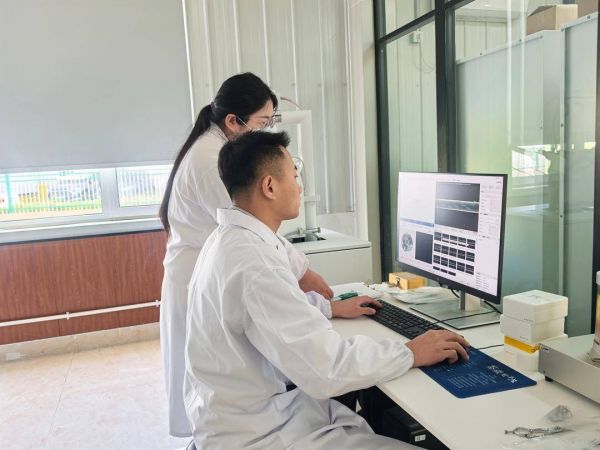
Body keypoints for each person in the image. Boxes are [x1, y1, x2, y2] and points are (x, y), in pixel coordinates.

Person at [183, 131, 470, 449]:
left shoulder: (230, 237)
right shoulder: (254, 262)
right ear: (269, 186)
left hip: (244, 415)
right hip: (261, 434)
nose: (299, 187)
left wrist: (329, 307)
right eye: (294, 176)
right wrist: (410, 352)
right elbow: (327, 370)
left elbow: (267, 311)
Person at [159, 73, 335, 437]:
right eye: (263, 123)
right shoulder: (210, 160)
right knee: (218, 384)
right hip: (197, 280)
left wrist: (319, 299)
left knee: (219, 382)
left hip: (202, 274)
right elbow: (251, 223)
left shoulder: (212, 150)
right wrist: (306, 276)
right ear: (233, 121)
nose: (268, 131)